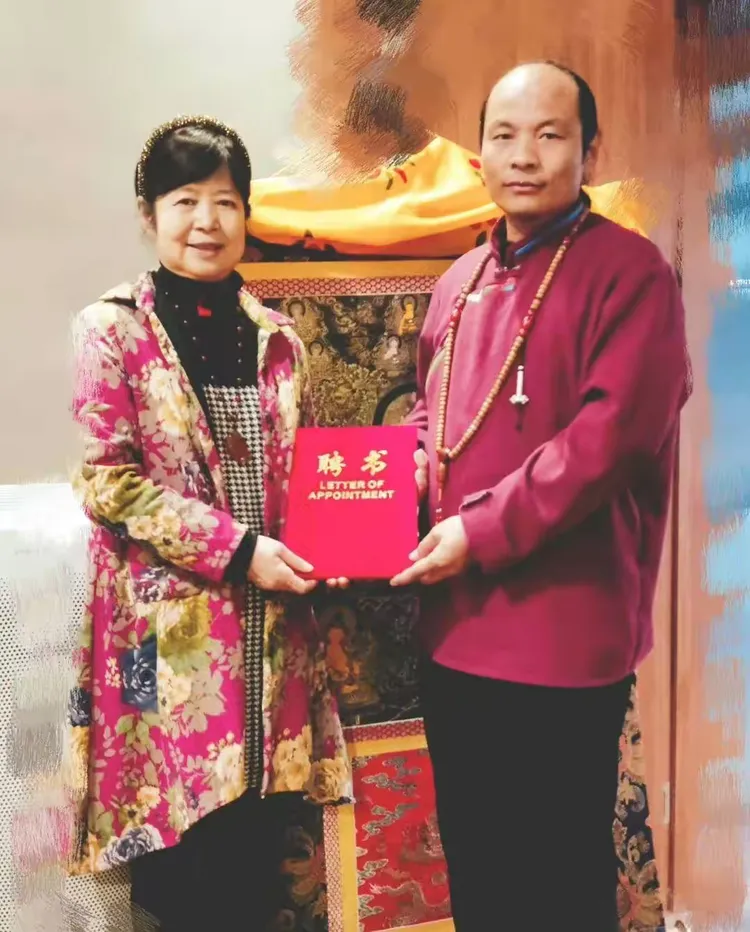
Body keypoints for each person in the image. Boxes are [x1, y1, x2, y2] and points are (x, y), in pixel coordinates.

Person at [391, 62, 691, 931]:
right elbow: (430, 414)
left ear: (589, 151)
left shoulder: (632, 273)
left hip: (563, 634)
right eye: (504, 135)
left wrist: (478, 531)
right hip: (454, 628)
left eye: (550, 135)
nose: (524, 155)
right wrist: (405, 476)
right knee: (479, 868)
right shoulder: (458, 281)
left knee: (556, 880)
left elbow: (608, 442)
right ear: (480, 153)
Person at [67, 115, 351, 931]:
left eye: (225, 201)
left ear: (246, 214)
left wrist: (331, 544)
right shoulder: (112, 330)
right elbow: (108, 482)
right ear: (149, 213)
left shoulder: (278, 339)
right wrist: (239, 549)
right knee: (181, 876)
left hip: (272, 639)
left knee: (258, 866)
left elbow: (307, 476)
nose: (206, 222)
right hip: (162, 646)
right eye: (184, 200)